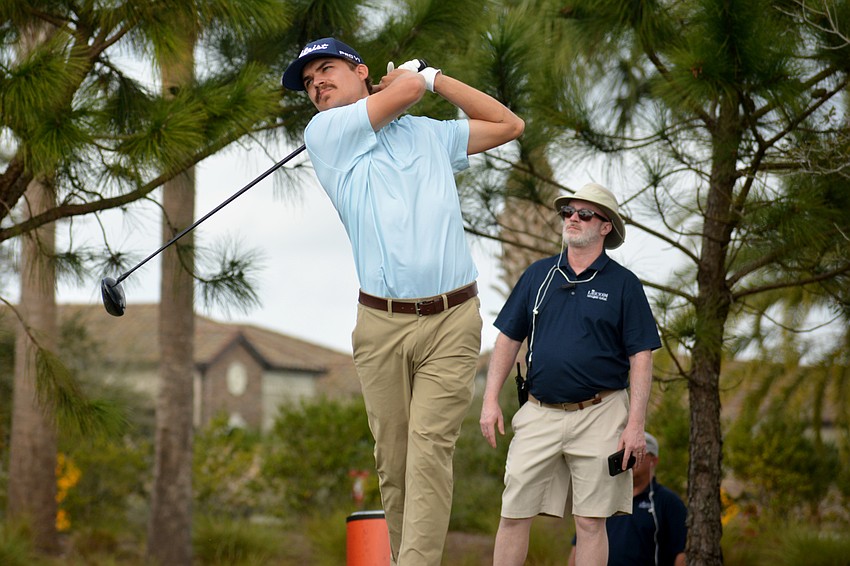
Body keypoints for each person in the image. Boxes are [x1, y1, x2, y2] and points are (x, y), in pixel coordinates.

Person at [281, 38, 524, 565]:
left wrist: (436, 77)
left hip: (452, 319)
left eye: (327, 70)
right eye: (308, 82)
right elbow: (406, 88)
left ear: (362, 71)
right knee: (394, 463)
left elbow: (508, 125)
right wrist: (412, 80)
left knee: (430, 451)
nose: (316, 83)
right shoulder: (324, 134)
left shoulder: (429, 135)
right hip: (381, 325)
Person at [479, 182, 661, 566]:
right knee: (512, 514)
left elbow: (641, 357)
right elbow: (508, 338)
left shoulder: (623, 284)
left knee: (591, 521)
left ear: (605, 226)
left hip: (602, 412)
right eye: (568, 213)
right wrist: (490, 399)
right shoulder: (539, 275)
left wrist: (635, 424)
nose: (572, 219)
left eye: (584, 214)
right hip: (539, 411)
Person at [568, 432, 687, 566]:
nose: (628, 458)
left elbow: (681, 553)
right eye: (625, 453)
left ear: (653, 461)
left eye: (636, 454)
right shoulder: (604, 496)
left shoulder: (669, 502)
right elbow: (580, 544)